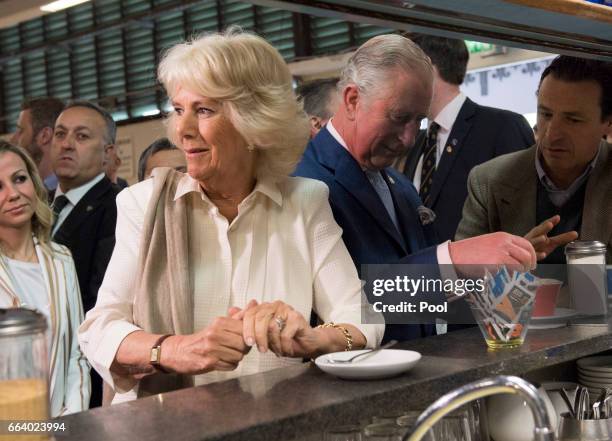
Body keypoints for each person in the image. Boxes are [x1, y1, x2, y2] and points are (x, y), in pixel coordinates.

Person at [78, 29, 384, 404]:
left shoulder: (305, 201)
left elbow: (363, 319)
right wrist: (176, 350)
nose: (182, 130)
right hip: (170, 427)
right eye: (178, 110)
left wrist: (310, 338)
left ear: (255, 121)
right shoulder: (142, 205)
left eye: (203, 110)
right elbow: (99, 328)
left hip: (275, 423)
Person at [294, 34, 538, 342]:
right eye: (399, 118)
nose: (409, 139)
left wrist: (490, 273)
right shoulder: (304, 185)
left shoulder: (400, 186)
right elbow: (348, 308)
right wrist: (453, 260)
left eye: (418, 121)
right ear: (352, 100)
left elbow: (419, 300)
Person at [456, 55, 612, 264]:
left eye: (573, 120)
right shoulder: (488, 181)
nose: (551, 134)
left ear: (608, 123)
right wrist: (506, 267)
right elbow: (459, 281)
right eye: (546, 114)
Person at [397, 35, 535, 242]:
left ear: (427, 70)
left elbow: (522, 220)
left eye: (402, 71)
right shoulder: (418, 142)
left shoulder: (502, 127)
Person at [0, 140, 90, 416]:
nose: (13, 194)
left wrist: (69, 423)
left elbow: (77, 353)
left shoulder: (61, 258)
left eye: (19, 179)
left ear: (34, 183)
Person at [50, 100, 121, 407]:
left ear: (107, 153)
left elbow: (100, 299)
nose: (66, 144)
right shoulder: (34, 205)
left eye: (81, 137)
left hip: (82, 379)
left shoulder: (117, 207)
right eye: (60, 134)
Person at [10, 97, 65, 191]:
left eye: (20, 130)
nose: (12, 139)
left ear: (45, 136)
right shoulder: (29, 190)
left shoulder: (69, 192)